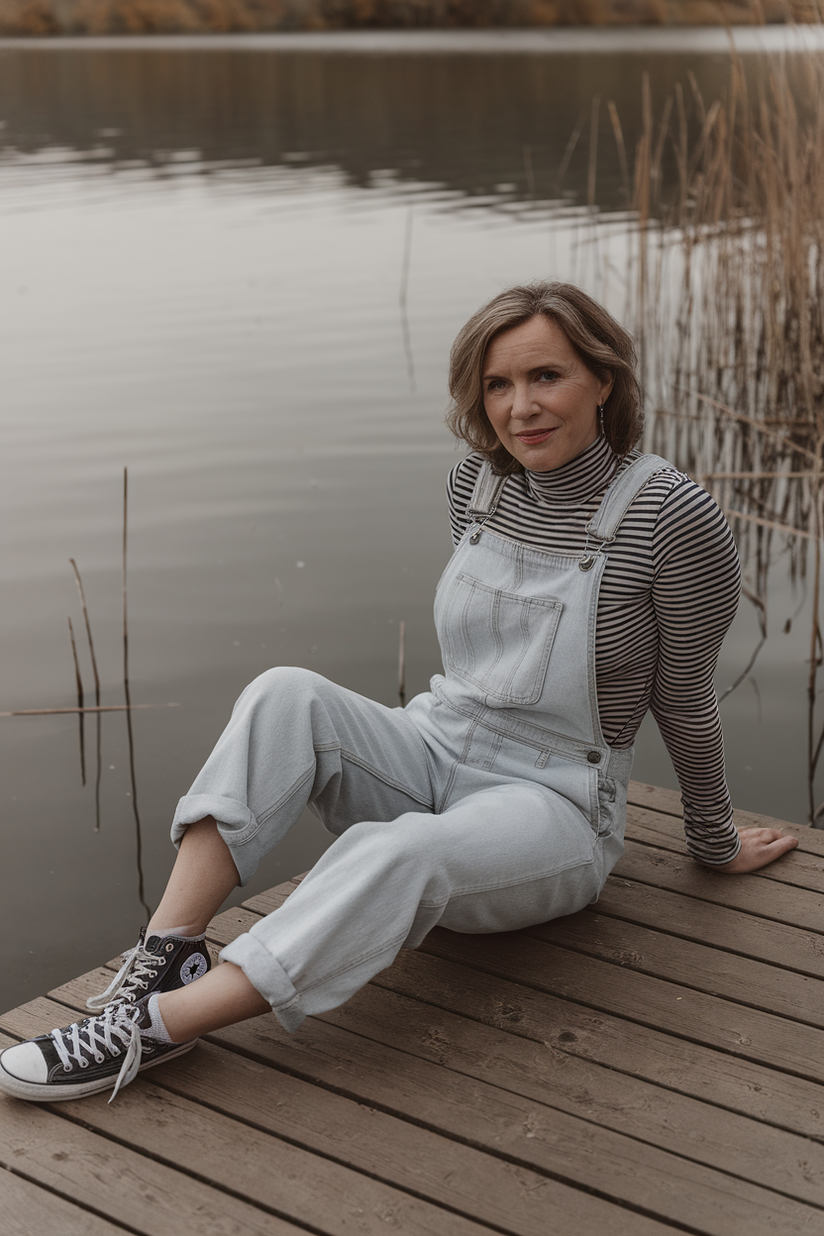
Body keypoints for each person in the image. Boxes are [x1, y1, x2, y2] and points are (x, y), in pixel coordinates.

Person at [0, 280, 798, 1104]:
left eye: (546, 377)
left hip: (553, 803)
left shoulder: (670, 513)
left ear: (605, 379)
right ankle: (166, 953)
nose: (521, 407)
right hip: (436, 744)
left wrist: (714, 841)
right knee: (286, 692)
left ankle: (156, 1029)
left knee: (398, 848)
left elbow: (686, 694)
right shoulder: (475, 488)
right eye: (498, 385)